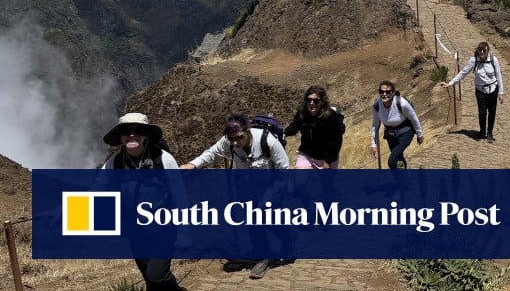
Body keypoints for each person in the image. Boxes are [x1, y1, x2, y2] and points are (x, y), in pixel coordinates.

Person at [181, 115, 289, 279]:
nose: (235, 143)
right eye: (232, 139)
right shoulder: (228, 142)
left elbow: (284, 171)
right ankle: (263, 255)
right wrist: (193, 164)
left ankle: (288, 241)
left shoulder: (269, 142)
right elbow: (212, 153)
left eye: (239, 138)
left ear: (248, 131)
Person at [101, 113, 186, 291]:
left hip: (164, 227)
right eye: (126, 131)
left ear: (146, 135)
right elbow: (96, 191)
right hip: (135, 231)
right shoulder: (114, 164)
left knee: (157, 276)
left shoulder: (163, 159)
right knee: (149, 277)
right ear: (121, 137)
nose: (132, 135)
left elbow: (179, 194)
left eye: (137, 130)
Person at [440, 41, 505, 142]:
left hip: (493, 90)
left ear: (488, 50)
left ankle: (490, 133)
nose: (482, 52)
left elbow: (498, 75)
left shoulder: (493, 60)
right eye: (480, 50)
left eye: (484, 50)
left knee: (492, 112)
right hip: (480, 91)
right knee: (482, 112)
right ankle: (482, 131)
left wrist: (501, 93)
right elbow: (463, 73)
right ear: (478, 50)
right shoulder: (474, 60)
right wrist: (450, 83)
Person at [284, 85, 345, 169]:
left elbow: (337, 140)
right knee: (300, 180)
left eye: (316, 101)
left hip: (326, 156)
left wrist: (328, 161)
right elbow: (294, 126)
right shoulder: (302, 113)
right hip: (307, 153)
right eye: (309, 100)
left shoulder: (331, 116)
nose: (312, 103)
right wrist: (284, 133)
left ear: (322, 102)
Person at [370, 80, 424, 168]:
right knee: (399, 158)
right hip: (391, 134)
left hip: (406, 132)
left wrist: (419, 134)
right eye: (381, 91)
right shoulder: (376, 105)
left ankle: (401, 180)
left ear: (393, 93)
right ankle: (403, 180)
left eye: (387, 92)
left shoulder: (401, 103)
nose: (384, 94)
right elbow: (375, 126)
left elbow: (414, 118)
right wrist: (373, 144)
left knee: (392, 161)